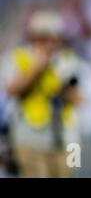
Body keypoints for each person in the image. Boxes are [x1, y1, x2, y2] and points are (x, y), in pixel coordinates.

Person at [1, 10, 83, 177]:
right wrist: (37, 69)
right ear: (33, 38)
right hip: (30, 137)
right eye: (43, 38)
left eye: (54, 39)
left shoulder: (68, 59)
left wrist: (60, 81)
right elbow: (10, 88)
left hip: (67, 138)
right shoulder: (18, 58)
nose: (49, 44)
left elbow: (80, 99)